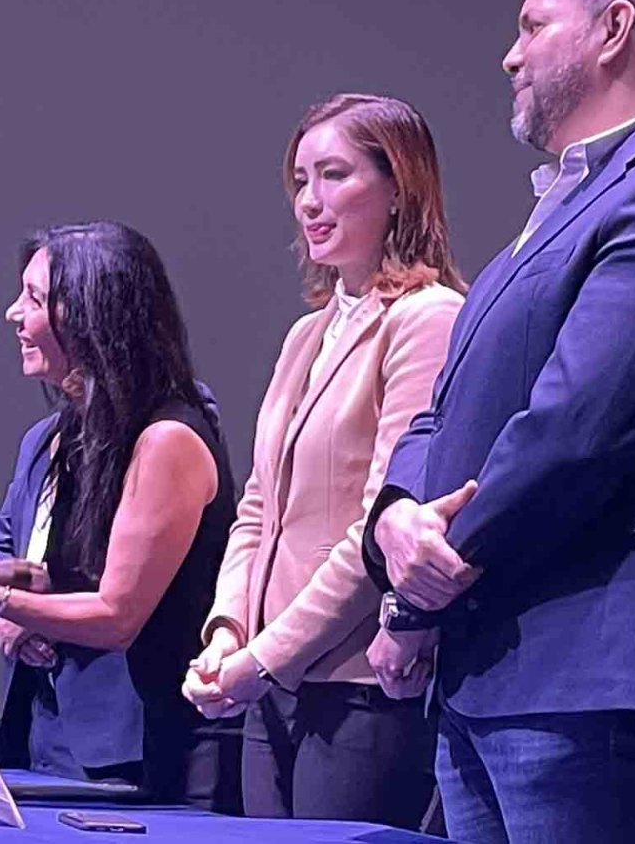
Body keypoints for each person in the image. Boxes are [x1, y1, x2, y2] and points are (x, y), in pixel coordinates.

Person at [360, 0, 635, 843]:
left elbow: (575, 428)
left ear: (613, 29)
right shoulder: (557, 212)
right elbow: (442, 409)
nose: (510, 56)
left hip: (586, 682)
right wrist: (393, 519)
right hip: (489, 673)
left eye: (533, 27)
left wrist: (426, 583)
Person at [179, 93, 464, 828]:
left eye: (334, 175)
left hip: (356, 688)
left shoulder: (427, 318)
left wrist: (265, 656)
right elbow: (257, 509)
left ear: (399, 187)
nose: (309, 200)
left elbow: (382, 526)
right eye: (300, 180)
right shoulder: (306, 334)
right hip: (271, 681)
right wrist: (227, 632)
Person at [0, 221, 237, 808]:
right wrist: (7, 603)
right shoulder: (48, 439)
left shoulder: (167, 440)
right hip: (44, 735)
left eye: (34, 298)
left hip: (144, 754)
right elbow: (3, 545)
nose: (14, 314)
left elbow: (117, 615)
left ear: (94, 317)